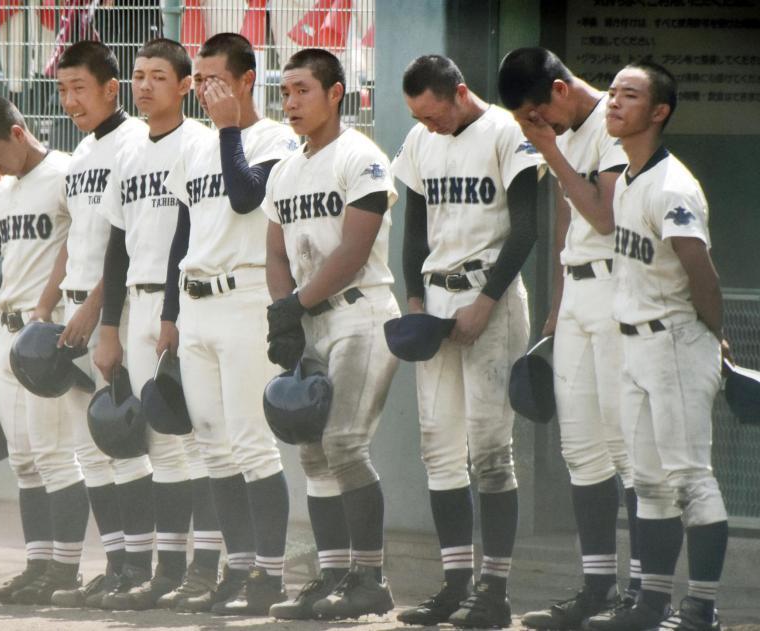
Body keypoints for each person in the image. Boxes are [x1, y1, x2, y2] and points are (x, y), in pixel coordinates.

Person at [390, 54, 541, 627]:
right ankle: (455, 584)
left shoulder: (506, 130)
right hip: (436, 298)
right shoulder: (422, 140)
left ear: (459, 92)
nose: (428, 125)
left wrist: (486, 301)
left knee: (490, 452)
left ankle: (494, 592)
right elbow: (414, 229)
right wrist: (412, 301)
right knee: (439, 449)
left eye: (433, 114)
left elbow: (526, 226)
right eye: (418, 117)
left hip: (489, 297)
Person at [497, 46, 640, 627]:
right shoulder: (562, 137)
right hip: (579, 294)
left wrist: (550, 149)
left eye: (538, 115)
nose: (538, 128)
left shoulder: (609, 123)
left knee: (626, 448)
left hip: (617, 289)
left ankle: (643, 592)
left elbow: (604, 217)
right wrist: (556, 311)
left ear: (558, 91)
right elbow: (566, 227)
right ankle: (598, 587)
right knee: (581, 450)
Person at [587, 61, 730, 631]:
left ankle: (701, 609)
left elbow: (705, 276)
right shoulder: (625, 179)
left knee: (690, 479)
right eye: (612, 93)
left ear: (659, 112)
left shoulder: (673, 187)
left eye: (629, 95)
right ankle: (651, 604)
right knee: (647, 482)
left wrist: (711, 337)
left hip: (674, 340)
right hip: (636, 345)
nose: (614, 103)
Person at [159, 32, 297, 615]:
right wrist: (169, 314)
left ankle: (270, 574)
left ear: (247, 80)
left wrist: (228, 130)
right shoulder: (193, 149)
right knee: (213, 449)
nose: (208, 89)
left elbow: (247, 197)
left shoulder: (276, 137)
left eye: (219, 79)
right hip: (197, 305)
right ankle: (237, 569)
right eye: (203, 79)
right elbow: (182, 235)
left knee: (252, 445)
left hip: (244, 298)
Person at [262, 47, 400, 621]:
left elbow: (354, 250)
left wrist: (294, 304)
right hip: (313, 317)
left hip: (361, 311)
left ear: (336, 92)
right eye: (286, 91)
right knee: (314, 453)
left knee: (344, 444)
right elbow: (275, 251)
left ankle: (370, 579)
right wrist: (285, 310)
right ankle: (333, 576)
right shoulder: (285, 168)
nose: (291, 101)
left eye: (303, 90)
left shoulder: (360, 156)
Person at [93, 38, 223, 611]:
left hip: (185, 305)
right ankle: (168, 571)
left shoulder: (199, 143)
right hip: (137, 306)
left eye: (159, 77)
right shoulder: (128, 153)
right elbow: (116, 247)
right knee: (163, 447)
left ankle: (208, 569)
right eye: (139, 76)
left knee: (201, 443)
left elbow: (188, 236)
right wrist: (109, 324)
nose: (145, 86)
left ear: (186, 85)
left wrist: (171, 313)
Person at [0, 94, 91, 605]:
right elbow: (7, 268)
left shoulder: (63, 173)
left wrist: (48, 310)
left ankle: (65, 569)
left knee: (56, 457)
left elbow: (79, 244)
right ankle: (37, 566)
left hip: (48, 332)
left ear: (17, 133)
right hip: (10, 331)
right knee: (24, 462)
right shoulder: (7, 188)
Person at [41, 40, 156, 610]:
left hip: (115, 312)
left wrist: (94, 310)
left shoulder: (136, 145)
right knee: (91, 451)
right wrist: (54, 308)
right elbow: (76, 242)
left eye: (78, 88)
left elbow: (129, 242)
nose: (68, 100)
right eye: (62, 89)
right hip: (75, 311)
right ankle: (116, 564)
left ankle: (139, 566)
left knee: (124, 442)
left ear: (112, 88)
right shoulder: (83, 152)